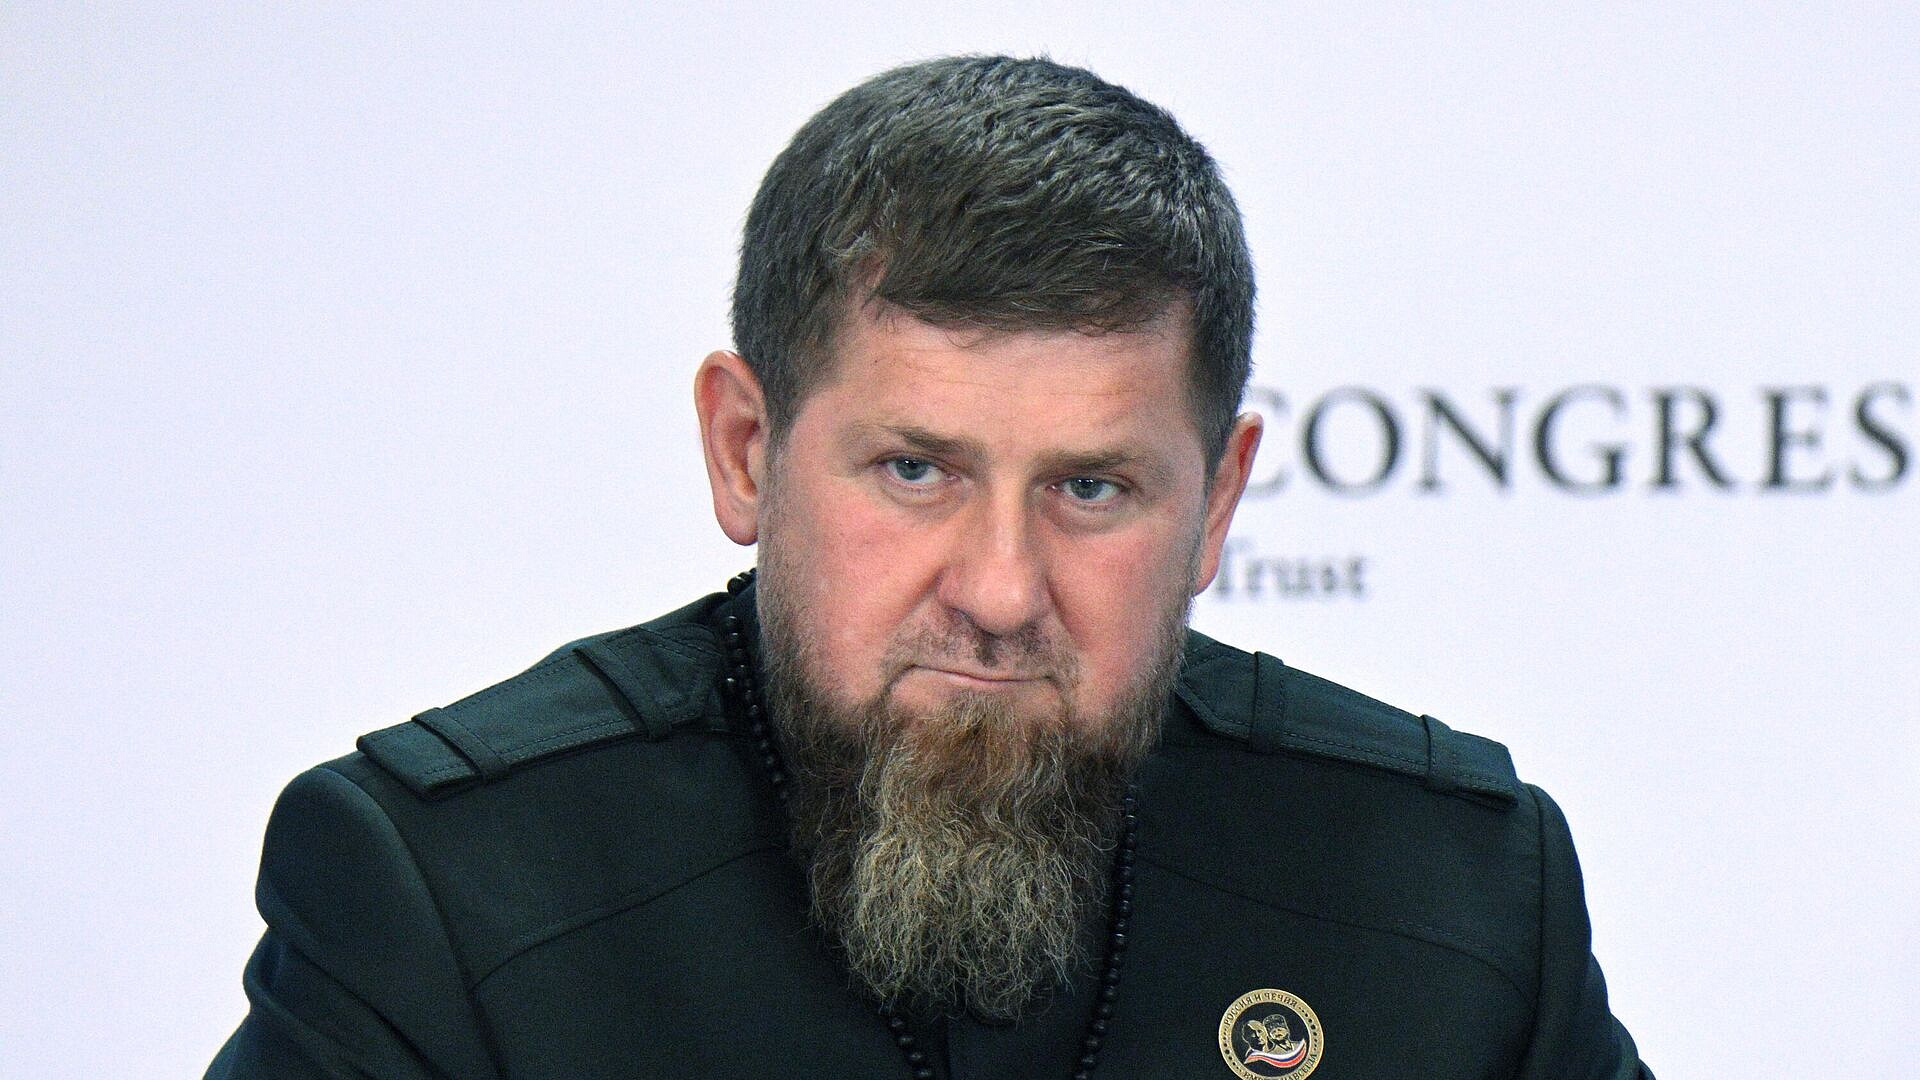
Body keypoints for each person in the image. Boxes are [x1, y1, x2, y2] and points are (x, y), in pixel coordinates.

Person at [207, 55, 1652, 1080]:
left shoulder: (1455, 898)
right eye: (917, 472)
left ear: (1216, 503)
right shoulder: (445, 896)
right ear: (746, 450)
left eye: (1091, 488)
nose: (1002, 592)